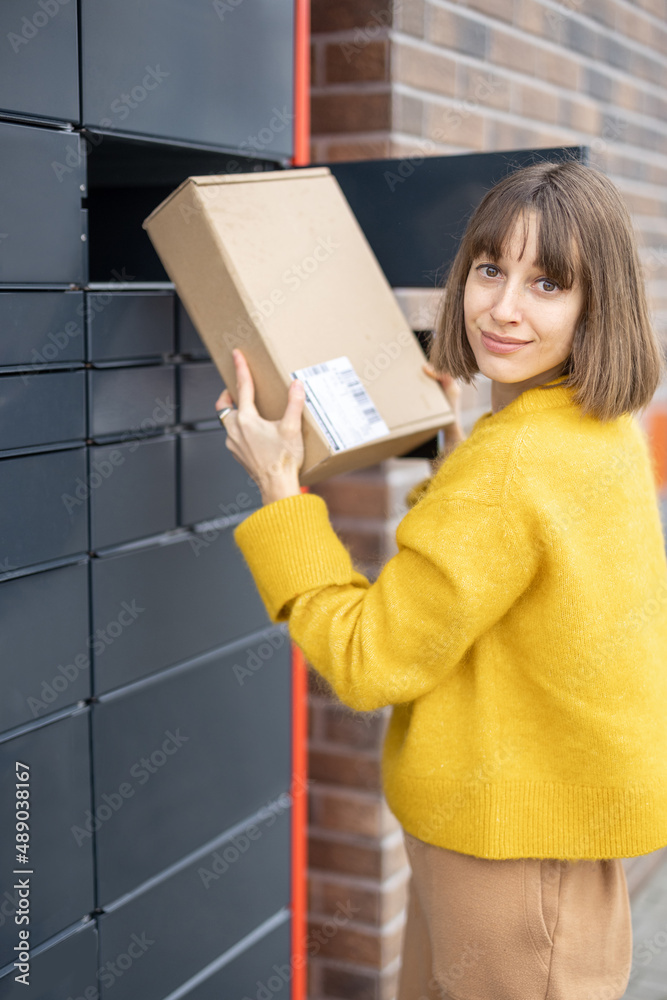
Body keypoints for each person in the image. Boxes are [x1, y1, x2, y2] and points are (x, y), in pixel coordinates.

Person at [214, 159, 667, 1000]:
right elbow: (521, 569)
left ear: (594, 305)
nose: (503, 306)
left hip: (512, 864)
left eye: (547, 284)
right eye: (491, 268)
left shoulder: (512, 465)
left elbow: (366, 658)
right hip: (516, 838)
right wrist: (464, 451)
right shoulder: (595, 430)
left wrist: (280, 490)